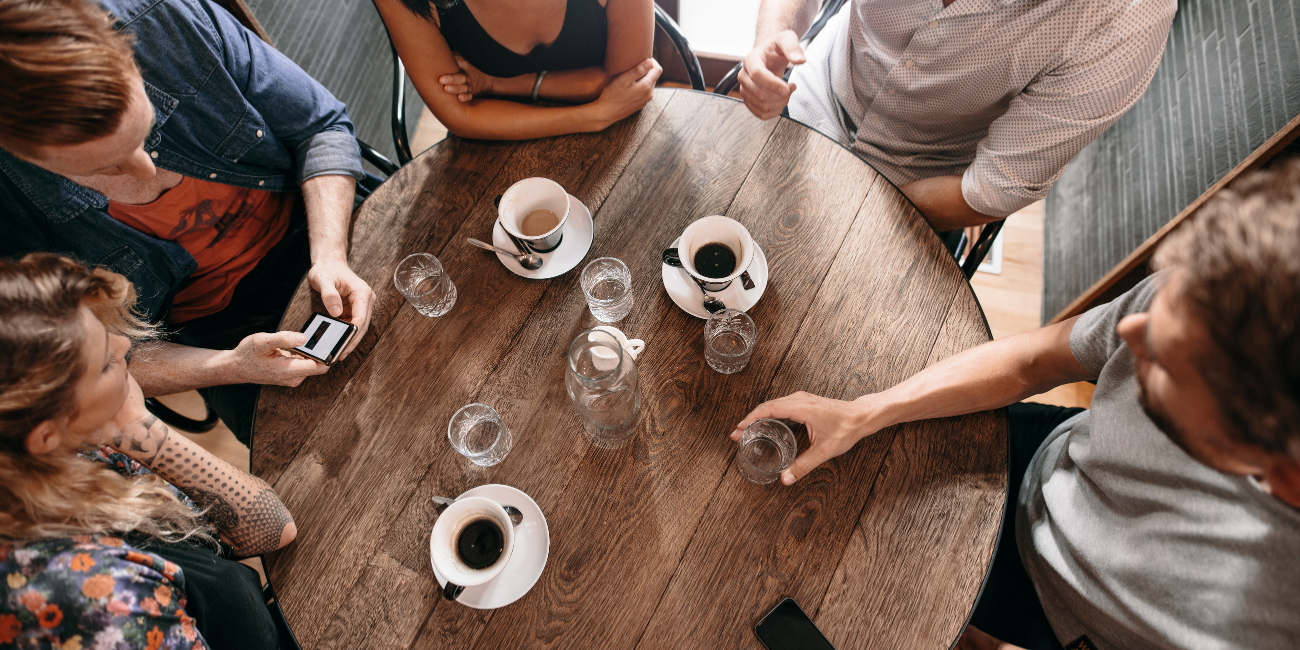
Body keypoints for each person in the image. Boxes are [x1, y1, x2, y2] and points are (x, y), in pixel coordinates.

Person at [731, 158, 1300, 650]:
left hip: (1066, 623)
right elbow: (1035, 362)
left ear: (1282, 473)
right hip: (1043, 462)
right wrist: (867, 411)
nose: (1128, 331)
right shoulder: (1214, 299)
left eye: (1164, 362)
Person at [0, 0, 377, 445]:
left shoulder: (160, 21)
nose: (143, 171)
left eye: (145, 133)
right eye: (106, 168)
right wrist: (232, 365)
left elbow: (321, 127)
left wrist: (330, 253)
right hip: (214, 329)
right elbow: (89, 363)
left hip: (319, 216)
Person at [0, 253, 296, 650]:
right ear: (45, 434)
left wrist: (133, 423)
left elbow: (271, 529)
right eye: (106, 362)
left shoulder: (75, 448)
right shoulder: (96, 599)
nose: (125, 347)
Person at [737, 0, 1177, 230]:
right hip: (813, 90)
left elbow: (991, 188)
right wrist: (772, 36)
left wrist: (853, 209)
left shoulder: (1128, 15)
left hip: (912, 188)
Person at [376, 0, 663, 140]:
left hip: (618, 131)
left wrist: (495, 84)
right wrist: (593, 115)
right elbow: (459, 115)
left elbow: (628, 82)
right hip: (491, 143)